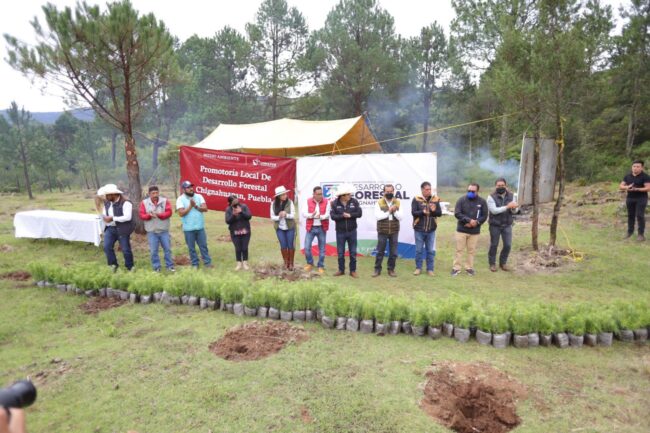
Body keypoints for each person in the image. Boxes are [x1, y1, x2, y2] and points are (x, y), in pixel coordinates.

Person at [452, 183, 488, 276]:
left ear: (477, 191)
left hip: (474, 231)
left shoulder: (482, 202)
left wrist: (476, 222)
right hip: (461, 230)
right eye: (469, 191)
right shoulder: (461, 200)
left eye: (473, 191)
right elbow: (457, 213)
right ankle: (456, 268)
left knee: (471, 251)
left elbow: (484, 215)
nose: (470, 192)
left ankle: (469, 268)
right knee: (459, 250)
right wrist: (468, 220)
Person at [176, 180, 212, 269]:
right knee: (191, 248)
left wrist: (196, 206)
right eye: (188, 187)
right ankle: (195, 264)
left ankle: (207, 263)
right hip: (188, 229)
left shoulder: (199, 196)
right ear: (184, 189)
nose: (191, 189)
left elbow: (205, 209)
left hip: (200, 227)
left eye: (191, 187)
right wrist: (190, 206)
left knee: (203, 246)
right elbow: (181, 213)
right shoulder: (180, 199)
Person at [99, 184, 135, 271]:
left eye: (107, 195)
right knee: (107, 247)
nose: (106, 197)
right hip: (110, 228)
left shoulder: (126, 202)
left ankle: (130, 267)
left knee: (125, 249)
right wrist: (104, 219)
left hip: (123, 229)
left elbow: (127, 217)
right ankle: (113, 265)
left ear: (113, 194)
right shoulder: (107, 203)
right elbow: (104, 214)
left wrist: (112, 218)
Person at [139, 185, 175, 272]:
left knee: (167, 249)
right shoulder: (144, 203)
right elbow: (141, 215)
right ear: (149, 194)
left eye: (156, 193)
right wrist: (149, 215)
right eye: (153, 193)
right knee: (153, 251)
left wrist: (159, 215)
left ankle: (170, 266)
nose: (155, 195)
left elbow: (169, 212)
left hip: (163, 230)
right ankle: (156, 267)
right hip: (151, 231)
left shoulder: (165, 201)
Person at [330, 183, 362, 278]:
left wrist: (350, 215)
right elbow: (333, 216)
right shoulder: (334, 203)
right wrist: (342, 216)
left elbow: (359, 213)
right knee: (340, 253)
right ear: (342, 196)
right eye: (348, 194)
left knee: (353, 252)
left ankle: (353, 271)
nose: (350, 195)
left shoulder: (354, 201)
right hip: (340, 232)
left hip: (352, 231)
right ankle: (341, 270)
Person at [487, 178, 518, 272]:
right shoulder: (491, 197)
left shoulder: (512, 196)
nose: (500, 187)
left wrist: (514, 208)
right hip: (495, 225)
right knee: (494, 245)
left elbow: (514, 210)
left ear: (506, 185)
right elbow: (494, 211)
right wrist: (507, 206)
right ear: (495, 186)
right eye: (498, 185)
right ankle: (492, 264)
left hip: (507, 224)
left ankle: (503, 263)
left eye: (502, 185)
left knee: (508, 245)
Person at [411, 181, 442, 276]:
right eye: (427, 189)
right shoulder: (416, 199)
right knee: (419, 250)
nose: (429, 191)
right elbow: (413, 213)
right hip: (419, 230)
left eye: (430, 189)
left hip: (431, 230)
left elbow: (439, 213)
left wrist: (433, 211)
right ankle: (418, 268)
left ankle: (430, 269)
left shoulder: (435, 199)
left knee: (430, 251)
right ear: (422, 190)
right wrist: (423, 212)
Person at [373, 184, 403, 277]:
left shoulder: (398, 202)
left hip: (394, 231)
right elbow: (378, 217)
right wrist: (389, 211)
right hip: (382, 230)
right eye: (387, 191)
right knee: (380, 251)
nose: (389, 193)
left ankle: (391, 269)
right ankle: (377, 269)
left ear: (393, 192)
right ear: (384, 192)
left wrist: (395, 211)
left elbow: (401, 217)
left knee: (393, 252)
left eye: (391, 191)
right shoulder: (379, 202)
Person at [619, 160, 650, 241]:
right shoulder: (627, 176)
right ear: (632, 167)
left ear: (642, 168)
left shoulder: (645, 176)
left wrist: (637, 189)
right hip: (630, 198)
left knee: (640, 215)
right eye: (634, 166)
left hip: (641, 198)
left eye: (638, 166)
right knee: (630, 215)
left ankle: (641, 235)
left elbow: (648, 188)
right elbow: (621, 186)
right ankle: (630, 232)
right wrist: (627, 187)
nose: (635, 168)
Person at [302, 186, 330, 274]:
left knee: (322, 248)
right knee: (307, 247)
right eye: (318, 194)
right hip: (311, 227)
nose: (320, 196)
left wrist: (320, 216)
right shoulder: (308, 201)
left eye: (321, 194)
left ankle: (320, 265)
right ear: (313, 194)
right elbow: (303, 213)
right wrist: (311, 215)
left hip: (322, 227)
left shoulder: (327, 201)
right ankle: (310, 263)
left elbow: (327, 215)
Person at [270, 185, 296, 270]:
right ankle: (286, 263)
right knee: (283, 245)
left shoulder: (290, 202)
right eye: (283, 195)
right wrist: (279, 216)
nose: (285, 196)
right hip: (280, 228)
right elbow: (272, 217)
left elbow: (293, 215)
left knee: (290, 245)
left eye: (285, 194)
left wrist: (286, 214)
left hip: (290, 227)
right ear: (278, 196)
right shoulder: (273, 204)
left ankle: (291, 263)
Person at [225, 195, 252, 271]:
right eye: (233, 201)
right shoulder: (228, 209)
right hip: (234, 232)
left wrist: (241, 212)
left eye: (236, 200)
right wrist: (233, 215)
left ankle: (245, 263)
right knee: (238, 248)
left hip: (245, 231)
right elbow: (227, 221)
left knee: (244, 248)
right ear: (230, 203)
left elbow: (249, 216)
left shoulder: (244, 206)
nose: (235, 202)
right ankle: (239, 264)